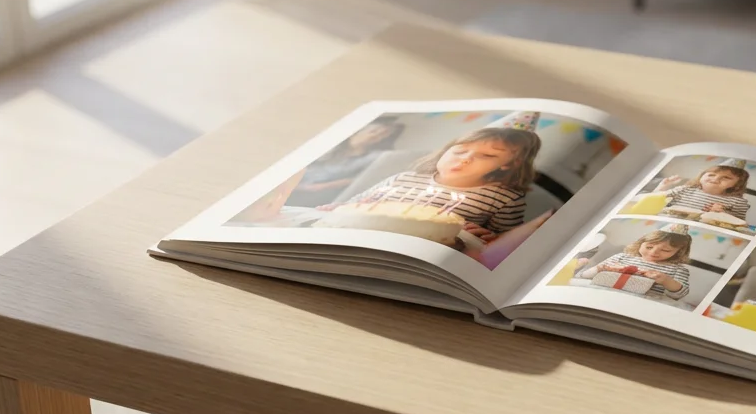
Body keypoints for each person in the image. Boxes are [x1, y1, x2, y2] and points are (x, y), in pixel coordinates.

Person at [319, 111, 541, 242]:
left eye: (486, 155)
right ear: (446, 149)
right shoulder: (403, 179)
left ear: (509, 164)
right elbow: (355, 205)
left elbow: (505, 243)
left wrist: (488, 236)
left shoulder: (504, 199)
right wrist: (337, 208)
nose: (465, 159)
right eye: (460, 150)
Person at [287, 117, 405, 207]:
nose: (378, 136)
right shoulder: (331, 143)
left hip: (320, 191)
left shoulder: (374, 156)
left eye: (383, 135)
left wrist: (320, 186)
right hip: (293, 185)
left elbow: (361, 179)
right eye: (374, 131)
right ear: (358, 131)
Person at [576, 225, 693, 305]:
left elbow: (679, 295)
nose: (653, 253)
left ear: (679, 252)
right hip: (606, 296)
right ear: (640, 243)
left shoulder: (677, 270)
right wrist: (598, 269)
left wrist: (665, 280)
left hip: (643, 302)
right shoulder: (621, 257)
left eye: (665, 250)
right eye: (649, 247)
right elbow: (582, 277)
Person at [653, 158, 752, 221]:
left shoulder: (738, 202)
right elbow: (654, 200)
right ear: (701, 176)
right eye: (711, 174)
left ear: (737, 184)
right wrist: (662, 186)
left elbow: (739, 223)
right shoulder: (685, 189)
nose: (715, 179)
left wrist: (723, 214)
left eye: (726, 177)